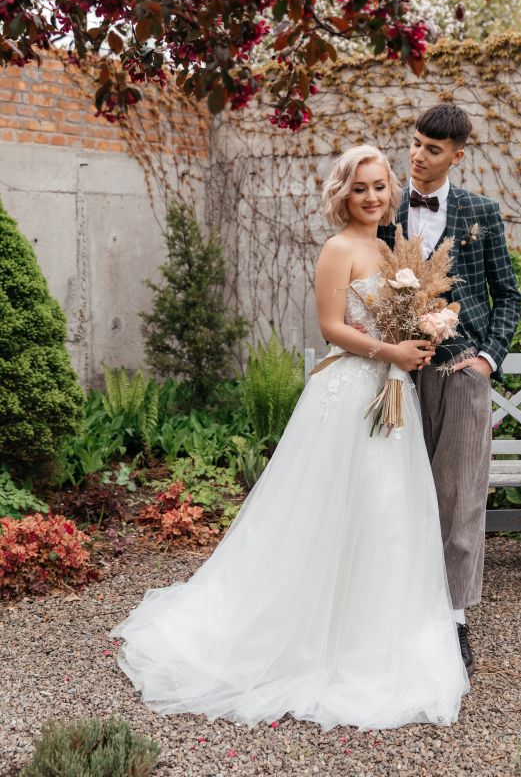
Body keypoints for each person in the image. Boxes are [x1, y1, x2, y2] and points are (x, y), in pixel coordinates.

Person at [111, 145, 469, 731]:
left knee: (385, 512)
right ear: (343, 195)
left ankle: (377, 634)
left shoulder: (389, 247)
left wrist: (418, 342)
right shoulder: (337, 249)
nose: (372, 197)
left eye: (380, 186)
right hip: (348, 395)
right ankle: (306, 638)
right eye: (360, 188)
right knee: (330, 511)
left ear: (391, 190)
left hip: (390, 394)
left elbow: (395, 317)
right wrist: (391, 349)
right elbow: (331, 328)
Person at [378, 104, 521, 678]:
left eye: (433, 149)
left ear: (457, 155)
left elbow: (507, 294)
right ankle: (395, 607)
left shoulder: (481, 212)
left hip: (462, 372)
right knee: (393, 489)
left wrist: (487, 359)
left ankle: (455, 618)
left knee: (459, 496)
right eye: (415, 143)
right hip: (396, 375)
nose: (418, 156)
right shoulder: (385, 209)